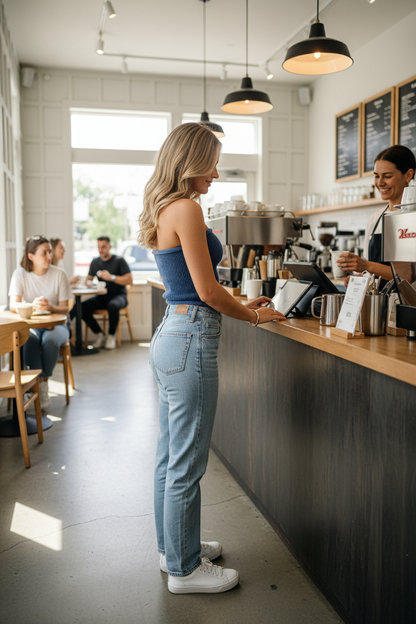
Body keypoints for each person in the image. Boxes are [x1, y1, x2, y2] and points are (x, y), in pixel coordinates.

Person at [138, 123, 285, 594]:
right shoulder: (187, 207)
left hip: (171, 332)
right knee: (187, 462)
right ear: (190, 160)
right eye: (213, 161)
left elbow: (194, 287)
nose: (217, 173)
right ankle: (184, 572)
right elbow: (205, 290)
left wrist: (243, 305)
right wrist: (253, 316)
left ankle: (173, 550)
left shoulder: (167, 207)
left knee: (169, 457)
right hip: (190, 336)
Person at [337, 145, 416, 286]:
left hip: (406, 305)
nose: (379, 183)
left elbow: (407, 278)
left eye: (387, 176)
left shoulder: (411, 218)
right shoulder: (375, 219)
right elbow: (369, 268)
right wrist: (359, 277)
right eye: (376, 176)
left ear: (408, 175)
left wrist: (366, 266)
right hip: (377, 303)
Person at [8, 235, 72, 410]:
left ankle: (41, 385)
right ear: (31, 256)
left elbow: (65, 309)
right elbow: (13, 305)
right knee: (30, 339)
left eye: (50, 252)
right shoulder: (20, 274)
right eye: (44, 253)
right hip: (32, 326)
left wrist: (50, 306)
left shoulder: (59, 274)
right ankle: (39, 385)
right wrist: (31, 306)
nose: (49, 257)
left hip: (59, 326)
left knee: (49, 340)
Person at [82, 236, 133, 350]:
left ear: (110, 247)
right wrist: (88, 283)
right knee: (81, 307)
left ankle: (111, 336)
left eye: (103, 247)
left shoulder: (119, 261)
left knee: (113, 306)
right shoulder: (95, 262)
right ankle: (99, 334)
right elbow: (88, 279)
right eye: (99, 247)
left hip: (119, 296)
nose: (101, 250)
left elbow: (129, 280)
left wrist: (111, 277)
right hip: (101, 297)